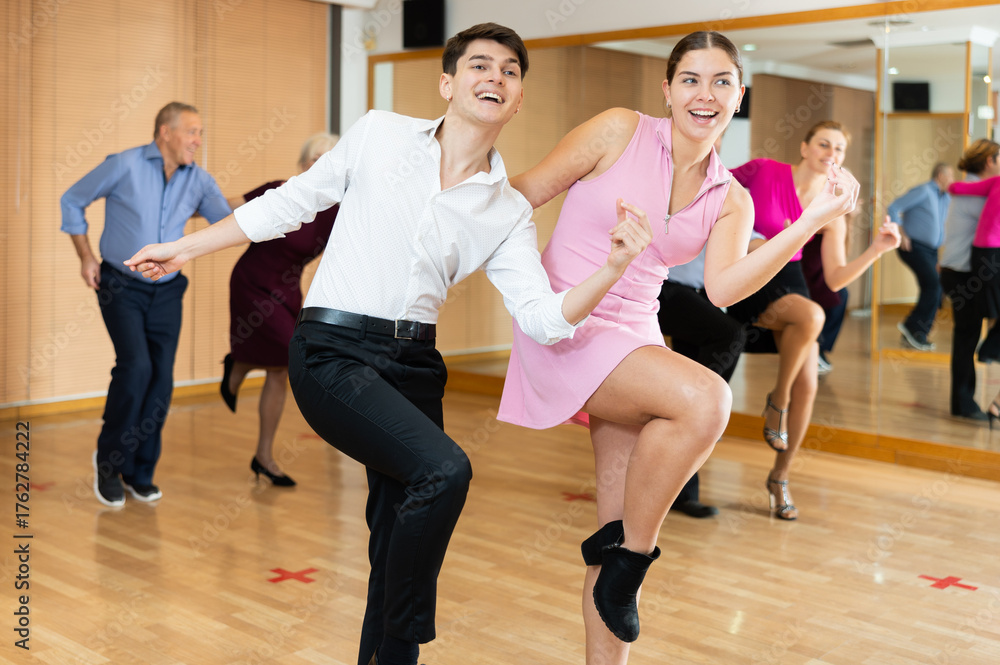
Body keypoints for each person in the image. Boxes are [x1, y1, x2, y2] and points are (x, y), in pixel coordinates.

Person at [125, 23, 653, 665]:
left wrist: (611, 268)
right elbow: (287, 206)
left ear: (517, 101)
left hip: (414, 367)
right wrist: (183, 249)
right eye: (480, 65)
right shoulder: (379, 133)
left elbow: (543, 318)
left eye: (510, 72)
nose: (495, 77)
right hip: (331, 351)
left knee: (393, 534)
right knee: (444, 469)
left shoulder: (505, 209)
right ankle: (403, 651)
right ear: (449, 83)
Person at [496, 32, 861, 664]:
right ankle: (634, 562)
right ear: (667, 90)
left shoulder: (731, 198)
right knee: (706, 397)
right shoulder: (617, 130)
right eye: (691, 79)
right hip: (570, 320)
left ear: (738, 96)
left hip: (632, 331)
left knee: (612, 529)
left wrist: (807, 223)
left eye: (722, 82)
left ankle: (618, 580)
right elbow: (521, 193)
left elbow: (722, 290)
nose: (706, 94)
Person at [726, 121, 900, 522]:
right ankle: (777, 403)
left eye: (839, 149)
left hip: (790, 284)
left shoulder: (830, 207)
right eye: (824, 144)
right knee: (814, 315)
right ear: (804, 147)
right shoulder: (765, 170)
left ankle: (779, 479)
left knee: (808, 378)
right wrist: (742, 237)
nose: (831, 153)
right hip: (751, 278)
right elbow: (711, 192)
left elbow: (836, 278)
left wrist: (877, 249)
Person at [61, 102, 231, 508]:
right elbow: (72, 199)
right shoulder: (124, 164)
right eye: (192, 131)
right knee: (135, 367)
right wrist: (85, 256)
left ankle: (140, 470)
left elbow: (227, 224)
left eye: (201, 132)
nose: (198, 140)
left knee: (161, 379)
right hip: (121, 283)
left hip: (168, 290)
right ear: (164, 133)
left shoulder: (199, 180)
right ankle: (109, 464)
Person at [221, 132, 340, 487]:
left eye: (333, 162)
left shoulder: (336, 211)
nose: (325, 168)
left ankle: (264, 457)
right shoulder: (279, 190)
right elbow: (222, 207)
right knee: (290, 353)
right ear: (304, 165)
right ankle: (238, 365)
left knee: (279, 371)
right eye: (318, 159)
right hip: (252, 284)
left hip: (288, 291)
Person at [656, 248, 746, 518]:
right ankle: (697, 409)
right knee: (730, 335)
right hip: (664, 287)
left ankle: (681, 494)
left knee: (692, 372)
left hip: (696, 293)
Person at [945, 141, 1000, 421]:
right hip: (965, 273)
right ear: (990, 161)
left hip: (963, 270)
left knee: (966, 337)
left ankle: (963, 403)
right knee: (966, 337)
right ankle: (964, 404)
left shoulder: (972, 188)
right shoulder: (979, 193)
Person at [887, 163, 955, 351]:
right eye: (950, 176)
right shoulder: (924, 191)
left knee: (937, 286)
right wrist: (901, 234)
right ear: (941, 175)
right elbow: (893, 207)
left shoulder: (945, 197)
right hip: (913, 247)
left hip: (931, 251)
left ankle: (916, 332)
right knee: (933, 284)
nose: (953, 180)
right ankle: (913, 328)